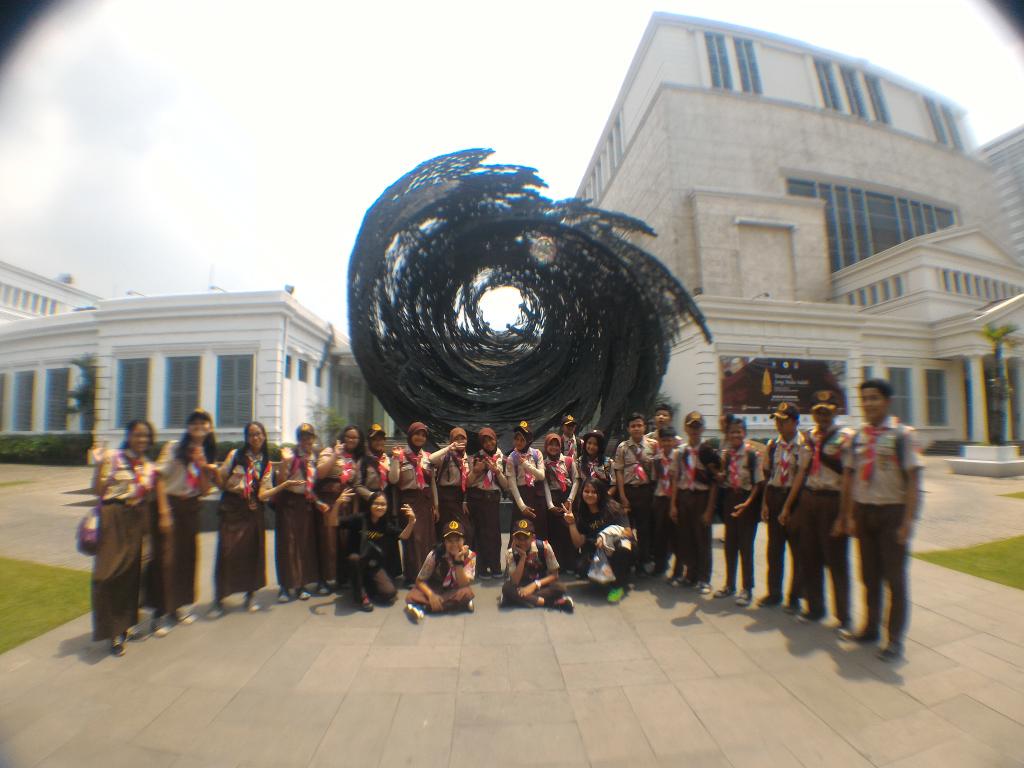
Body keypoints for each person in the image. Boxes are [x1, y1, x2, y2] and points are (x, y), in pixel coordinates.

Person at [839, 379, 922, 661]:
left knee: (895, 580)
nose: (869, 403)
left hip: (892, 513)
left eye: (874, 398)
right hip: (865, 513)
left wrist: (908, 521)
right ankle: (870, 627)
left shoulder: (903, 435)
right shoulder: (857, 437)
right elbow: (849, 477)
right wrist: (848, 515)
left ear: (887, 401)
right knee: (869, 576)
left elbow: (913, 480)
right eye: (865, 399)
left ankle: (895, 639)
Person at [91, 420, 160, 657]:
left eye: (145, 436)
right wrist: (98, 466)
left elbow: (149, 500)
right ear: (129, 436)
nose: (141, 440)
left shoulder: (150, 467)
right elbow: (97, 491)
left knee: (131, 575)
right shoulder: (113, 457)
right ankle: (112, 630)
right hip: (113, 518)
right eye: (137, 435)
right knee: (105, 575)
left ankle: (123, 629)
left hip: (136, 520)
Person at [784, 390, 852, 628]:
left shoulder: (845, 437)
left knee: (836, 560)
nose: (822, 416)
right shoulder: (808, 438)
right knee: (809, 555)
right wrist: (791, 507)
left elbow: (848, 478)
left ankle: (843, 616)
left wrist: (844, 515)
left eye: (827, 412)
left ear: (835, 412)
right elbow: (801, 471)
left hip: (832, 500)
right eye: (818, 412)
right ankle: (815, 607)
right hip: (809, 498)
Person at [211, 421, 293, 617]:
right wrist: (215, 475)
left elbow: (264, 491)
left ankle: (250, 595)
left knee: (252, 552)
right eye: (251, 434)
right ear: (246, 437)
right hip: (232, 508)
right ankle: (219, 598)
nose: (255, 438)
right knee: (227, 552)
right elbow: (222, 478)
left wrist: (282, 485)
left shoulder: (265, 462)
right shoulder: (235, 455)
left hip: (253, 509)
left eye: (259, 434)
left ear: (264, 436)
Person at [150, 408, 217, 637]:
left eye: (204, 422)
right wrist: (163, 511)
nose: (199, 426)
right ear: (188, 427)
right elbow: (158, 478)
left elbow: (206, 490)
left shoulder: (205, 452)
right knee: (165, 559)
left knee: (187, 559)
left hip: (191, 507)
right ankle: (159, 613)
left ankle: (178, 607)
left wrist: (205, 468)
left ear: (209, 428)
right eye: (194, 422)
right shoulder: (173, 447)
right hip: (171, 505)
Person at [759, 403, 807, 612]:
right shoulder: (772, 445)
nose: (778, 424)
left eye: (783, 420)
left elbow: (800, 477)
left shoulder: (804, 445)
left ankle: (795, 596)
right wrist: (765, 504)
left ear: (795, 422)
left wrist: (788, 507)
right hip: (775, 496)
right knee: (774, 549)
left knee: (797, 550)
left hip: (794, 500)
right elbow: (767, 477)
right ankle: (774, 592)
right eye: (777, 419)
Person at [275, 423, 330, 602]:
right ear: (298, 439)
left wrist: (318, 502)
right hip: (289, 503)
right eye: (303, 437)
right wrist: (284, 463)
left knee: (305, 545)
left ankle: (301, 585)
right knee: (288, 545)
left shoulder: (314, 457)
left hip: (306, 504)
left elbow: (310, 485)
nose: (306, 440)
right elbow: (281, 480)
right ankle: (284, 586)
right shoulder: (290, 455)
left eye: (309, 437)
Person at [714, 416, 764, 607]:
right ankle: (729, 584)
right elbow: (723, 478)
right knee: (730, 545)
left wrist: (748, 503)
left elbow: (758, 484)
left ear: (744, 433)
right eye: (732, 432)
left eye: (739, 431)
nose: (735, 435)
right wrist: (719, 476)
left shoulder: (753, 455)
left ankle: (747, 588)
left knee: (746, 546)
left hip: (746, 502)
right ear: (727, 434)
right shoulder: (726, 455)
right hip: (730, 500)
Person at [669, 411, 721, 594]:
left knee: (702, 539)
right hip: (684, 496)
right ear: (685, 428)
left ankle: (704, 578)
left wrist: (709, 509)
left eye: (698, 426)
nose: (694, 430)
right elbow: (675, 479)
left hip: (701, 497)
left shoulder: (708, 452)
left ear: (703, 428)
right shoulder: (680, 452)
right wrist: (673, 504)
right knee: (686, 537)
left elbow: (715, 482)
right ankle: (689, 574)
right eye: (691, 426)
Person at [565, 478, 634, 603]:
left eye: (594, 492)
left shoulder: (614, 508)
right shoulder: (582, 513)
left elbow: (628, 532)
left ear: (600, 493)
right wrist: (571, 524)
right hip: (598, 551)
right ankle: (609, 575)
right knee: (581, 568)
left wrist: (605, 536)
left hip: (619, 548)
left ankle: (618, 585)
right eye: (587, 491)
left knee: (624, 547)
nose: (590, 495)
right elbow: (578, 543)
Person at [343, 491, 415, 611]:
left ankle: (366, 585)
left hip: (374, 565)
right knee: (354, 559)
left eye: (383, 504)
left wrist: (411, 521)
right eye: (376, 503)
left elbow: (403, 536)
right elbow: (333, 522)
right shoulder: (359, 519)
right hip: (357, 562)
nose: (380, 507)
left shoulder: (385, 524)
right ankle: (360, 596)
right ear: (370, 504)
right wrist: (338, 504)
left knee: (390, 594)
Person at [389, 422, 438, 587]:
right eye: (417, 434)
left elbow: (432, 484)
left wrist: (436, 506)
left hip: (425, 502)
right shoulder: (400, 455)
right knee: (412, 540)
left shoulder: (428, 457)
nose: (420, 437)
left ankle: (427, 575)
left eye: (423, 435)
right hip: (408, 502)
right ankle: (412, 576)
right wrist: (395, 460)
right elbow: (394, 479)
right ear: (410, 435)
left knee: (427, 539)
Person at [316, 425, 363, 592]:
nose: (351, 440)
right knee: (327, 540)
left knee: (344, 541)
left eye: (355, 438)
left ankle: (342, 577)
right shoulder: (329, 451)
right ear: (342, 436)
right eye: (348, 436)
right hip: (330, 500)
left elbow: (355, 483)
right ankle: (323, 579)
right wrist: (336, 454)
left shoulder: (354, 458)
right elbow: (320, 473)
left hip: (347, 503)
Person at [405, 519, 476, 622]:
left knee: (466, 592)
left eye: (457, 540)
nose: (454, 544)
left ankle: (424, 608)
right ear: (444, 542)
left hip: (455, 588)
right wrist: (431, 595)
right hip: (437, 586)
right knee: (412, 595)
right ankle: (454, 605)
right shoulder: (435, 555)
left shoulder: (470, 556)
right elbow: (419, 580)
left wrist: (458, 562)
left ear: (463, 540)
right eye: (450, 541)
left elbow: (464, 584)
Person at [355, 423, 402, 579]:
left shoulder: (387, 459)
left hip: (387, 503)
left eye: (381, 439)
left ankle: (390, 572)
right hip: (371, 504)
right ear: (369, 441)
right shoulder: (363, 461)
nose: (379, 442)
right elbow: (358, 485)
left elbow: (393, 480)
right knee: (373, 538)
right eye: (375, 440)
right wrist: (372, 498)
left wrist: (395, 460)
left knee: (388, 537)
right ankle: (370, 573)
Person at [500, 518, 574, 612]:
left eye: (526, 538)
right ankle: (551, 603)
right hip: (521, 586)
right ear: (514, 538)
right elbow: (515, 581)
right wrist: (522, 558)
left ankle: (515, 600)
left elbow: (554, 575)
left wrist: (534, 585)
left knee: (560, 587)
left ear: (533, 537)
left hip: (540, 585)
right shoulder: (510, 553)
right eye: (519, 538)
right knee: (507, 588)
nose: (522, 542)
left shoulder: (544, 547)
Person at [614, 413, 656, 575]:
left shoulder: (653, 445)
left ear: (644, 427)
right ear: (628, 429)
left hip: (645, 492)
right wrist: (622, 496)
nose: (637, 428)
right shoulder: (623, 447)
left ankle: (643, 562)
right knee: (627, 530)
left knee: (645, 529)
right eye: (633, 426)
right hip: (628, 492)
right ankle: (628, 561)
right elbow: (618, 472)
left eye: (639, 425)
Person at [467, 427, 507, 579]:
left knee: (494, 534)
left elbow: (506, 485)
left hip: (493, 498)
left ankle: (495, 566)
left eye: (491, 439)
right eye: (485, 441)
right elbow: (468, 483)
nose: (489, 443)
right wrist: (476, 471)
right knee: (480, 534)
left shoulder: (502, 458)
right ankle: (482, 568)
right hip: (478, 498)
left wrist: (497, 472)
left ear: (495, 439)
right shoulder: (476, 457)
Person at [542, 433, 577, 572]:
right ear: (546, 446)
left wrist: (570, 500)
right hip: (553, 500)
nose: (554, 447)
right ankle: (558, 565)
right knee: (555, 534)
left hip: (568, 499)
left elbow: (576, 481)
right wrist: (550, 505)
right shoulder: (543, 464)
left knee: (569, 531)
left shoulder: (568, 461)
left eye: (557, 444)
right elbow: (545, 485)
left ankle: (570, 563)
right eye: (551, 444)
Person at [505, 421, 546, 538]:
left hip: (536, 495)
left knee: (538, 532)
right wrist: (522, 507)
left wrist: (527, 465)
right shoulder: (511, 457)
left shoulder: (536, 453)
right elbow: (512, 484)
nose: (518, 442)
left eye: (522, 439)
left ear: (528, 440)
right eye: (516, 439)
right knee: (519, 531)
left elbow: (541, 476)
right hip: (521, 496)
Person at [430, 426, 472, 542]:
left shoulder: (468, 459)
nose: (460, 441)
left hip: (460, 498)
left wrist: (465, 500)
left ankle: (461, 558)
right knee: (445, 531)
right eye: (456, 438)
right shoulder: (446, 455)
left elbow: (468, 482)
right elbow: (431, 459)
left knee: (466, 532)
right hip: (445, 498)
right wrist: (449, 448)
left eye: (462, 438)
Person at [651, 426, 680, 580]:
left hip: (675, 499)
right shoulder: (656, 460)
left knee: (676, 535)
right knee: (660, 533)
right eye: (664, 441)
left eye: (670, 440)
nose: (667, 443)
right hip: (661, 498)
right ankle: (659, 565)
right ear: (660, 442)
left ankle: (678, 570)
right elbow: (655, 480)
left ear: (674, 441)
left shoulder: (680, 456)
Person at [572, 429, 615, 500]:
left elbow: (614, 485)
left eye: (595, 444)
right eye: (589, 443)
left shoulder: (608, 463)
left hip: (603, 501)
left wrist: (604, 497)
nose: (591, 447)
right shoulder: (578, 463)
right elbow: (577, 484)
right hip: (584, 501)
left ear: (601, 446)